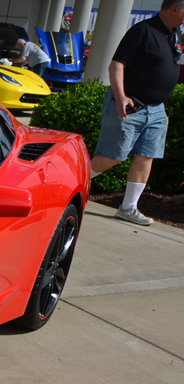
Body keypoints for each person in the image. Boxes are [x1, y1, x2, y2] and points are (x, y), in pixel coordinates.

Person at [91, 0, 184, 225]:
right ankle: (65, 185)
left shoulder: (174, 36)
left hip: (157, 110)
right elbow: (116, 65)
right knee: (112, 156)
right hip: (131, 106)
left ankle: (128, 207)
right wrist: (121, 97)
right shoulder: (143, 31)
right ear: (175, 9)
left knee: (146, 156)